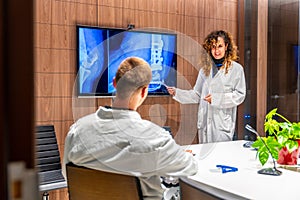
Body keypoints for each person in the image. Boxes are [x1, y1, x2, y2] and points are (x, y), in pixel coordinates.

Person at [63, 57, 198, 200]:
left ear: (114, 82)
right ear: (144, 91)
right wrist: (179, 154)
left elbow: (67, 176)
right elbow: (190, 167)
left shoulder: (77, 130)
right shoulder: (155, 138)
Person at [167, 30, 246, 144]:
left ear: (226, 46)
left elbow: (239, 95)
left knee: (220, 155)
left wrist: (216, 99)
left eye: (219, 46)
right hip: (204, 124)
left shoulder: (236, 69)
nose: (216, 51)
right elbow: (196, 95)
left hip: (222, 125)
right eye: (213, 47)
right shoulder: (204, 71)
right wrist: (176, 93)